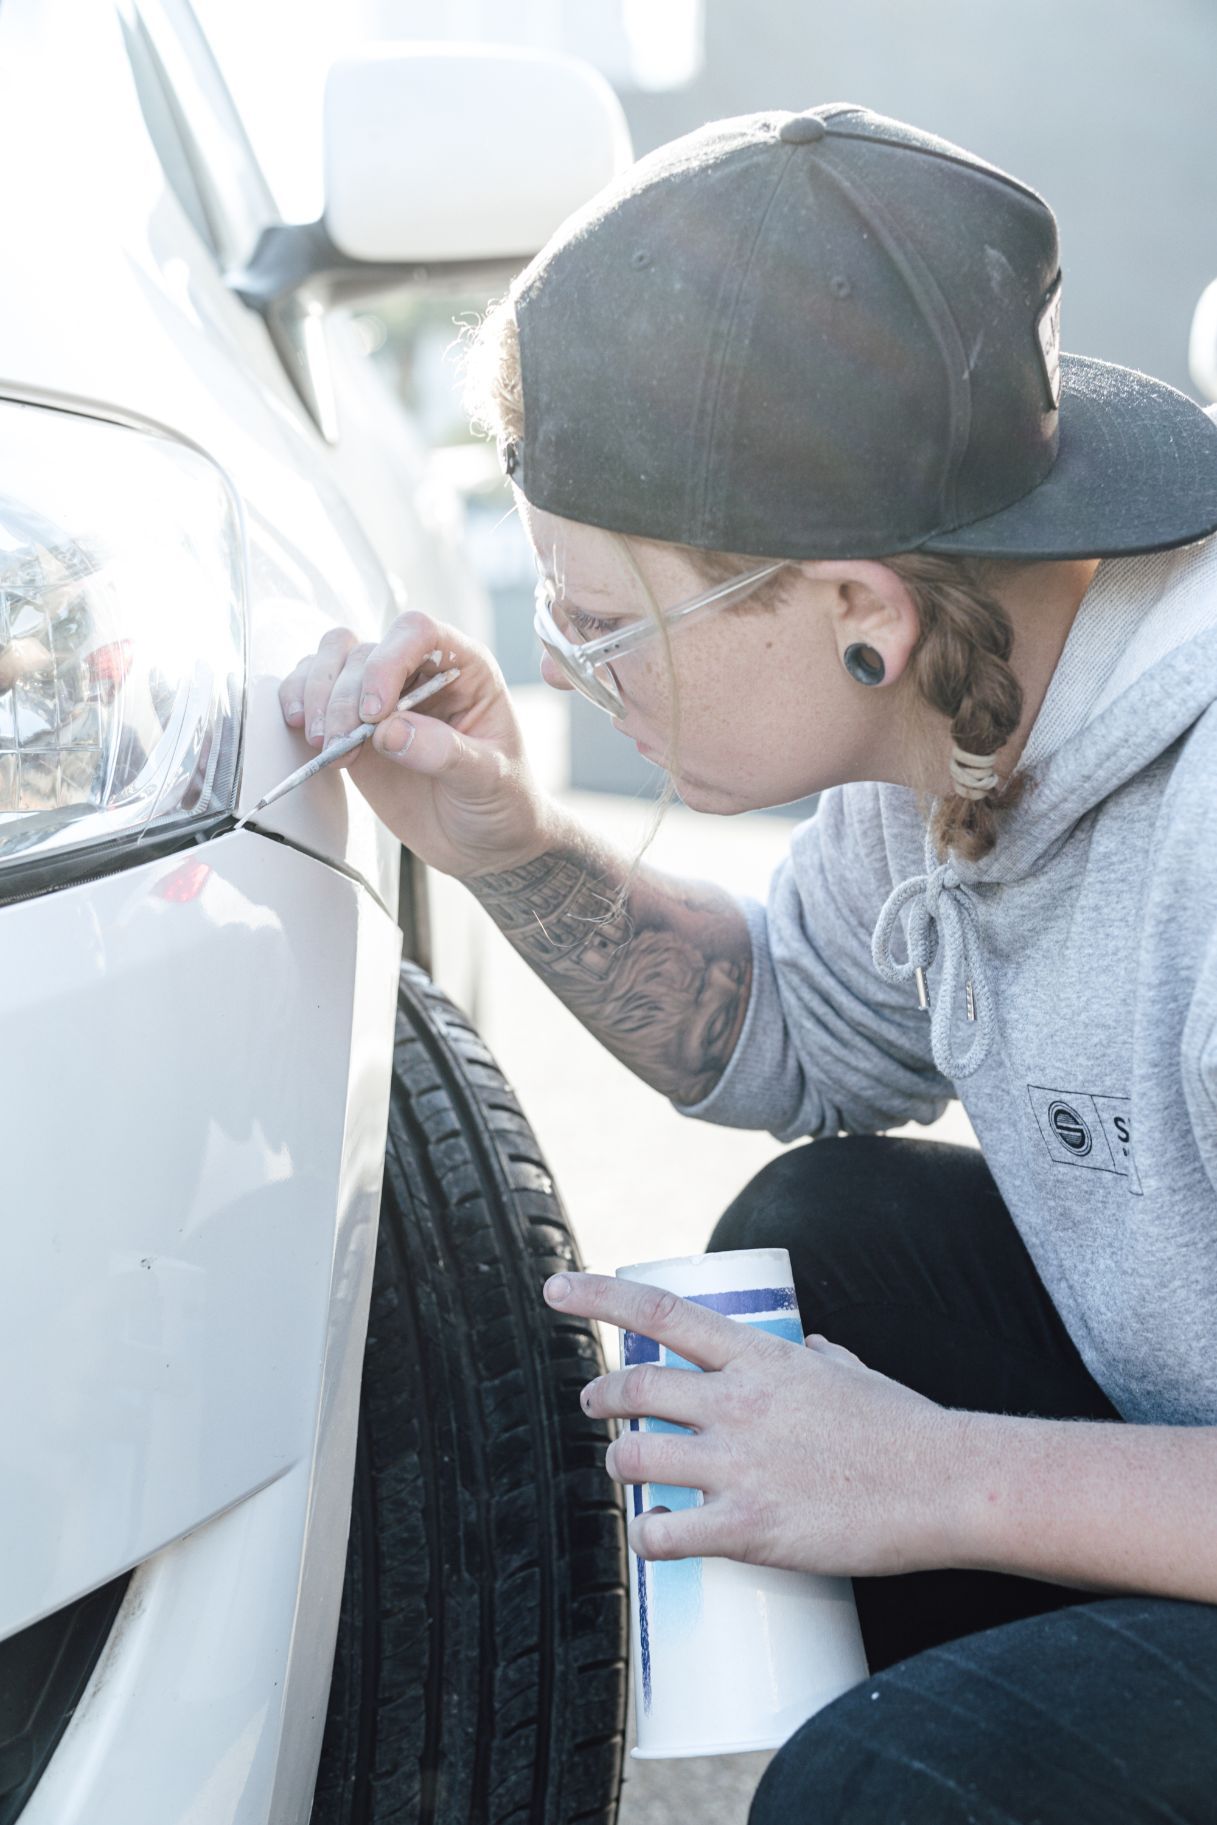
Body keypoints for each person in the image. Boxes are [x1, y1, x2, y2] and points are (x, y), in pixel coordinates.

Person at [282, 105, 1217, 1820]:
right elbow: (784, 1031)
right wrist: (503, 839)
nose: (566, 676)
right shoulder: (956, 687)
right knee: (828, 1237)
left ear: (855, 602)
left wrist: (933, 1478)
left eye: (600, 624)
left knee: (887, 1783)